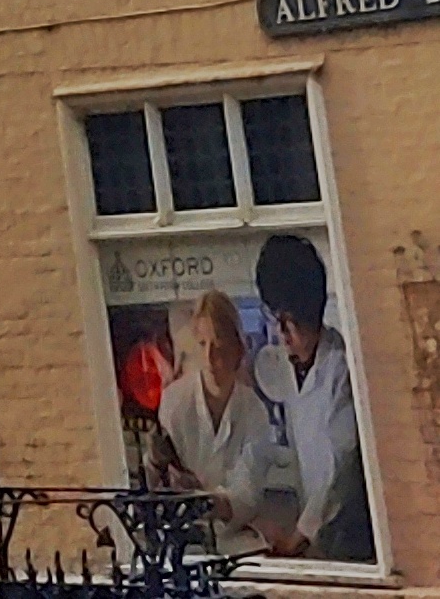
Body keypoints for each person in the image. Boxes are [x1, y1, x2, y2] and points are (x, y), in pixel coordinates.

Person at [251, 232, 374, 563]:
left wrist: (301, 535)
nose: (282, 333)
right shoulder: (286, 369)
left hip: (351, 538)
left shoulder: (341, 368)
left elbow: (340, 464)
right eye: (275, 318)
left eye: (289, 321)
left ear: (311, 313)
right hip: (314, 539)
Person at [157, 291, 289, 534]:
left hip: (234, 537)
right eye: (202, 345)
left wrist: (208, 501)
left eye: (218, 346)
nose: (209, 358)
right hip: (183, 536)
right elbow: (165, 484)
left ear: (237, 349)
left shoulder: (254, 411)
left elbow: (247, 496)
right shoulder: (174, 402)